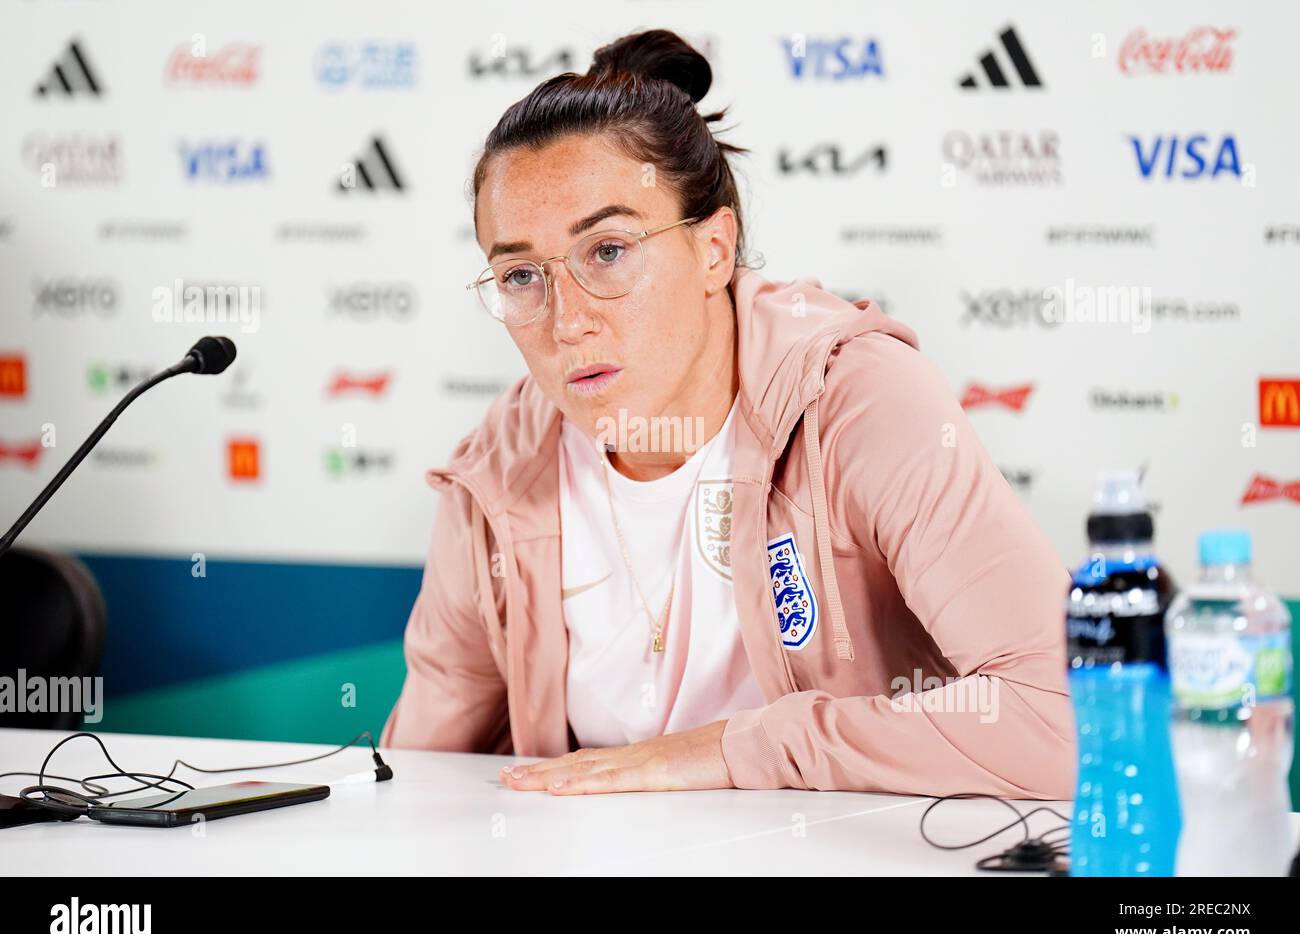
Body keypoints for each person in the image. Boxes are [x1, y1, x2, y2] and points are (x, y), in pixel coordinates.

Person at [380, 29, 1076, 799]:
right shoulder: (498, 471)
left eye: (608, 251)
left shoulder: (856, 398)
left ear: (715, 248)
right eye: (520, 274)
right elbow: (418, 774)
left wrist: (735, 750)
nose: (566, 319)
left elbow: (1061, 716)